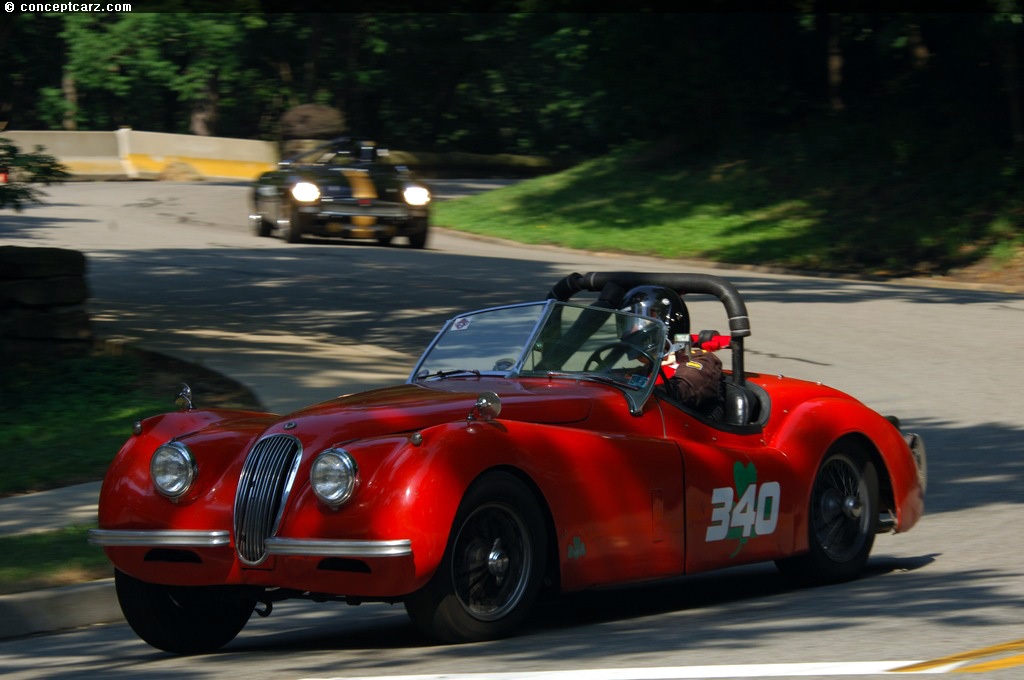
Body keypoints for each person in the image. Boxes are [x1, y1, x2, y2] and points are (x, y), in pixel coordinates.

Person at [618, 285, 722, 409]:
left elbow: (682, 391)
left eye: (637, 322)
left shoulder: (701, 361)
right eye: (626, 324)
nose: (630, 331)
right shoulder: (650, 367)